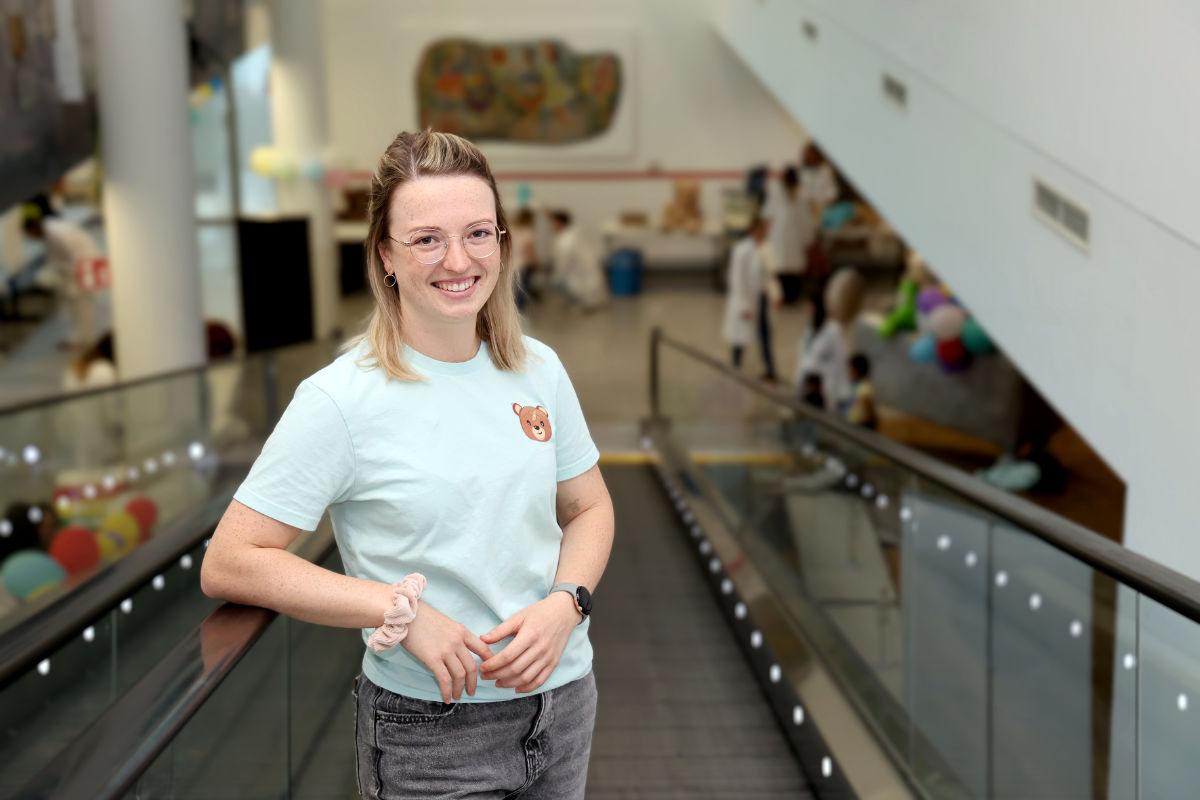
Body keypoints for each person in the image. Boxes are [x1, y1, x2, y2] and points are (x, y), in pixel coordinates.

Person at [201, 130, 615, 798]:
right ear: (386, 255)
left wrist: (568, 602)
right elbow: (231, 561)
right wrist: (396, 610)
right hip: (431, 731)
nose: (459, 259)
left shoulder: (538, 368)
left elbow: (588, 506)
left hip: (563, 705)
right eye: (427, 239)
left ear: (503, 245)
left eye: (480, 233)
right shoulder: (340, 399)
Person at [22, 207, 103, 349]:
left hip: (84, 264)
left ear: (32, 229)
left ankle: (85, 338)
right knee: (72, 304)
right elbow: (57, 257)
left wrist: (67, 276)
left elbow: (74, 257)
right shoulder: (49, 230)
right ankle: (78, 337)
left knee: (82, 304)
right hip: (74, 266)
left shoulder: (57, 234)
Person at [721, 215, 778, 381]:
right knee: (740, 338)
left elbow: (770, 275)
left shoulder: (766, 248)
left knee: (765, 335)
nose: (764, 232)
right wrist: (744, 306)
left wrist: (775, 294)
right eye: (761, 229)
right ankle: (735, 367)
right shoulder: (742, 250)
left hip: (761, 298)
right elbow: (737, 280)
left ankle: (770, 370)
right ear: (752, 230)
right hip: (746, 300)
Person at [760, 165, 812, 304]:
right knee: (783, 267)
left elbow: (767, 213)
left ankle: (788, 296)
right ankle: (786, 296)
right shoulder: (778, 191)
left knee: (786, 268)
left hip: (787, 234)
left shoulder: (800, 193)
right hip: (784, 234)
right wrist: (808, 238)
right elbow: (767, 213)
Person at [794, 290, 848, 412]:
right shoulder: (809, 330)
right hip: (807, 386)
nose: (807, 311)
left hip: (825, 387)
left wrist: (842, 390)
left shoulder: (833, 330)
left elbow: (840, 359)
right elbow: (804, 357)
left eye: (809, 307)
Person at [549, 209, 607, 310]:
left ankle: (578, 303)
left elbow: (562, 267)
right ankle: (584, 300)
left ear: (559, 223)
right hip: (593, 280)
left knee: (556, 282)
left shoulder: (565, 242)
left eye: (553, 223)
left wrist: (554, 276)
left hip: (582, 284)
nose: (551, 226)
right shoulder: (573, 233)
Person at [844, 353, 878, 429]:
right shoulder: (855, 386)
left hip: (861, 426)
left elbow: (869, 412)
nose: (849, 373)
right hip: (852, 425)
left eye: (851, 369)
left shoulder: (864, 387)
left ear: (858, 370)